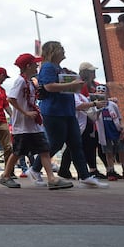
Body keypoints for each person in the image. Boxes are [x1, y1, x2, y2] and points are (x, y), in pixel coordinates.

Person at [28, 41, 108, 188]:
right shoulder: (47, 67)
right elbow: (48, 86)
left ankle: (84, 176)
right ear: (53, 51)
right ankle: (34, 169)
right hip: (54, 111)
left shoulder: (58, 68)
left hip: (67, 110)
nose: (64, 51)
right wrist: (72, 85)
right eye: (61, 49)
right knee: (56, 143)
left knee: (76, 144)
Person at [0, 53, 72, 189]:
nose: (37, 66)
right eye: (34, 64)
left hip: (33, 126)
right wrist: (25, 112)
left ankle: (51, 178)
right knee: (18, 152)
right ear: (28, 66)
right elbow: (11, 98)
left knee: (44, 149)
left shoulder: (30, 82)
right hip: (22, 126)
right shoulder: (20, 81)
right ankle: (5, 175)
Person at [58, 62, 106, 180]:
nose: (94, 73)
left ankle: (71, 170)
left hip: (87, 119)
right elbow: (79, 103)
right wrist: (94, 102)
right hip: (81, 119)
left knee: (79, 146)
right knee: (76, 146)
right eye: (91, 71)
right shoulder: (81, 86)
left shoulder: (93, 85)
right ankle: (84, 171)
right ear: (86, 73)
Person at [94, 84, 124, 180]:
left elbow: (119, 118)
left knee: (122, 152)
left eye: (103, 90)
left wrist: (123, 128)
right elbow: (93, 117)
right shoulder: (94, 106)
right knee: (108, 154)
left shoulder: (113, 105)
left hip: (116, 131)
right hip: (105, 133)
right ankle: (110, 171)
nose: (101, 92)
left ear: (107, 93)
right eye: (99, 90)